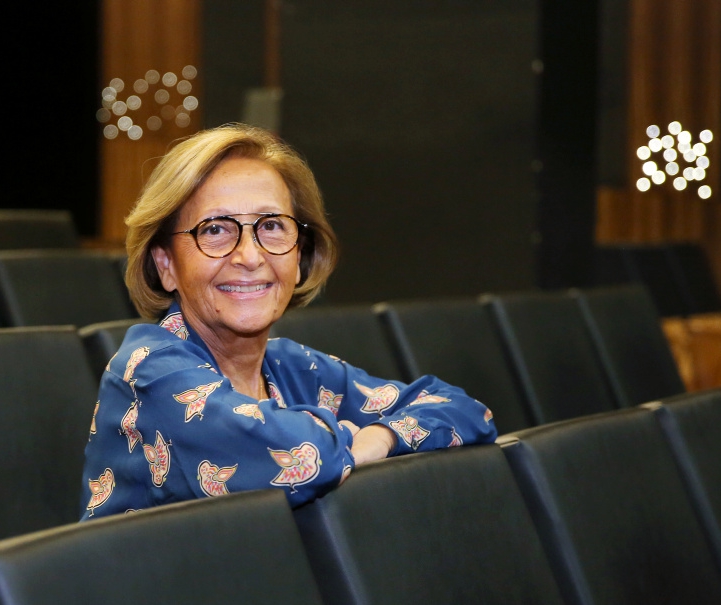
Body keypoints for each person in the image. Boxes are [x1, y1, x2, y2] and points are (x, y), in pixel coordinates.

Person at [80, 124, 497, 519]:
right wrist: (346, 434)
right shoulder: (149, 371)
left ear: (299, 259)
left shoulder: (296, 368)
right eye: (215, 230)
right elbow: (301, 455)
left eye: (273, 226)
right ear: (166, 264)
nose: (249, 256)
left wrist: (379, 437)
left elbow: (467, 412)